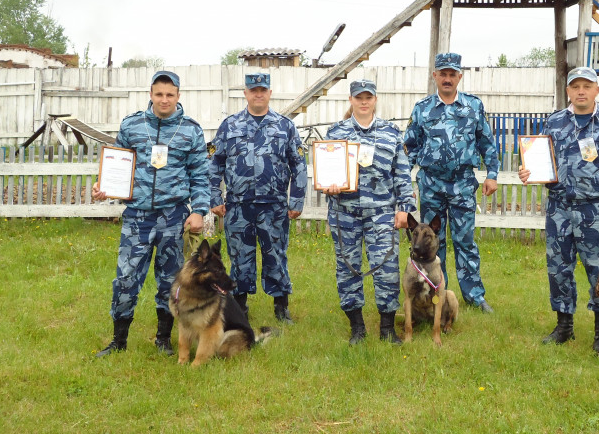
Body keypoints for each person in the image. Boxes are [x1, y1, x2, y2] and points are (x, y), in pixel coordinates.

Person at [518, 66, 599, 352]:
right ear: (568, 91)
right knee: (558, 269)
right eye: (575, 86)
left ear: (597, 89)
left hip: (594, 210)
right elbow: (544, 159)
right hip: (559, 209)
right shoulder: (555, 122)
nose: (581, 91)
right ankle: (564, 325)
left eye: (587, 86)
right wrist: (529, 172)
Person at [94, 70, 210, 357]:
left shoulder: (191, 130)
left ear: (178, 96)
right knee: (125, 278)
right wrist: (104, 187)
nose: (164, 99)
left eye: (170, 94)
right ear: (151, 94)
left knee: (170, 281)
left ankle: (163, 339)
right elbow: (117, 165)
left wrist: (200, 211)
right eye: (159, 94)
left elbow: (200, 175)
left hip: (173, 217)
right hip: (138, 217)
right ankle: (118, 341)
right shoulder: (132, 126)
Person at [403, 53, 499, 313]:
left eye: (452, 74)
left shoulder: (473, 107)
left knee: (465, 241)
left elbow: (487, 142)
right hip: (432, 185)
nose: (447, 79)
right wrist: (400, 180)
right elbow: (410, 147)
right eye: (442, 74)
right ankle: (436, 291)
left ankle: (474, 296)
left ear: (459, 76)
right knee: (433, 243)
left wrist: (492, 174)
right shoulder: (422, 109)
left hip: (462, 185)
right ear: (435, 75)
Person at [209, 73, 307, 324]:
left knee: (276, 256)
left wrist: (296, 200)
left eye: (263, 90)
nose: (258, 94)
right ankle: (240, 307)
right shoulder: (229, 126)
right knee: (240, 257)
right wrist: (214, 197)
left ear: (270, 93)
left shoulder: (285, 126)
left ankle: (281, 307)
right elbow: (215, 164)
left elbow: (299, 165)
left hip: (274, 206)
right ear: (246, 93)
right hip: (239, 206)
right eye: (253, 90)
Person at [323, 79, 416, 345]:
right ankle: (357, 328)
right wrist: (327, 186)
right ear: (351, 100)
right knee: (347, 269)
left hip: (382, 213)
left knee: (386, 269)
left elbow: (401, 173)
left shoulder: (390, 133)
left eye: (368, 97)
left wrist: (405, 210)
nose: (364, 102)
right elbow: (325, 171)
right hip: (345, 212)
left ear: (375, 99)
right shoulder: (336, 133)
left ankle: (387, 328)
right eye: (359, 97)